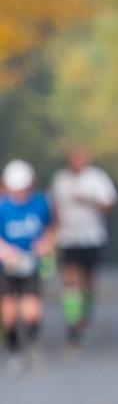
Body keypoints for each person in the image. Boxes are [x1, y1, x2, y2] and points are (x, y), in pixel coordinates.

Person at [49, 147, 118, 344]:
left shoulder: (97, 178)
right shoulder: (60, 180)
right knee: (70, 278)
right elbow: (53, 205)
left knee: (87, 280)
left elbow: (110, 205)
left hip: (92, 236)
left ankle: (86, 318)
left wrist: (88, 201)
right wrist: (53, 230)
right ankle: (73, 322)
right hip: (68, 237)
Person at [1, 160, 55, 374]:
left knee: (31, 311)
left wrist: (45, 244)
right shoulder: (2, 207)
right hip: (6, 267)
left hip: (32, 264)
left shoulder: (41, 203)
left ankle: (32, 345)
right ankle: (14, 351)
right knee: (9, 312)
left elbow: (51, 228)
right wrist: (6, 252)